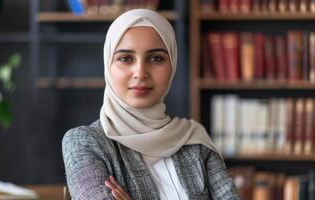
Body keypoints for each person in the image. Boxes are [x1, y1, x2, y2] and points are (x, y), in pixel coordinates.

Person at [62, 9, 240, 200]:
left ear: (172, 65)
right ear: (108, 65)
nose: (140, 72)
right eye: (125, 58)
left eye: (156, 58)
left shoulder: (194, 141)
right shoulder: (84, 142)